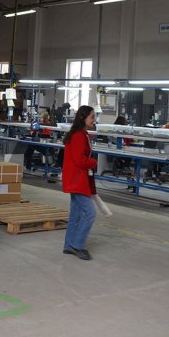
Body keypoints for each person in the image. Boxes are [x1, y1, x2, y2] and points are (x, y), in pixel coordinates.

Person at [62, 105, 98, 261]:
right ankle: (77, 245)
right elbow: (79, 160)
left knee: (76, 214)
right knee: (90, 213)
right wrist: (93, 162)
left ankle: (68, 245)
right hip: (77, 180)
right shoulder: (78, 136)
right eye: (92, 117)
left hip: (76, 178)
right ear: (83, 117)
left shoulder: (81, 134)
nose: (94, 119)